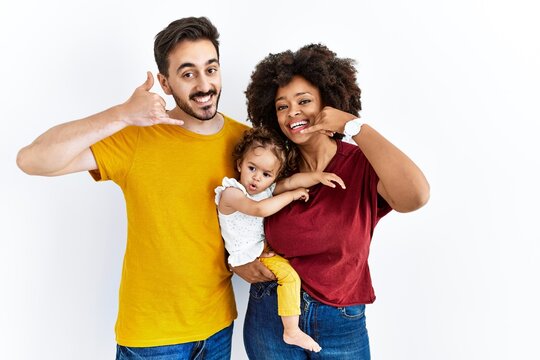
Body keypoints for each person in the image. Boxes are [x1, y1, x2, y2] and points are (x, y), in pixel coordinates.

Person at [16, 17, 252, 359]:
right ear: (165, 83)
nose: (204, 84)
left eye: (210, 69)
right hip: (152, 338)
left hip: (218, 326)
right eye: (187, 74)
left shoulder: (245, 143)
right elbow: (32, 160)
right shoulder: (139, 137)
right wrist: (121, 114)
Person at [238, 44, 430, 359]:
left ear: (329, 103)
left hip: (341, 322)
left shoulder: (362, 164)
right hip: (271, 316)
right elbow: (232, 212)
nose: (292, 113)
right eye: (282, 106)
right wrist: (238, 261)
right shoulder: (271, 169)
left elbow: (416, 196)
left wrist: (351, 125)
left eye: (304, 101)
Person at [215, 127, 346, 353]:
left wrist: (318, 177)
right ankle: (291, 331)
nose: (257, 177)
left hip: (260, 250)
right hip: (244, 255)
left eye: (267, 174)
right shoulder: (231, 192)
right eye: (251, 168)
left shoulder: (266, 189)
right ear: (239, 164)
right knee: (290, 277)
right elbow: (259, 209)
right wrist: (292, 195)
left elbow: (292, 180)